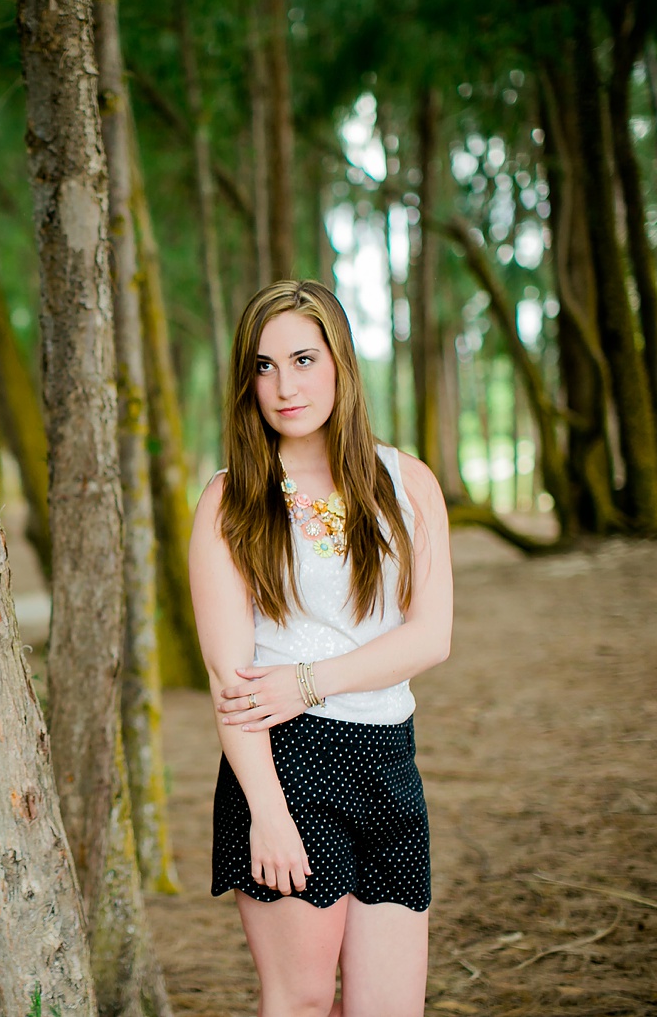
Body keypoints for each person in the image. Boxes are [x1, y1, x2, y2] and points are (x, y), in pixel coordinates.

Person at [188, 280, 453, 1017]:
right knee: (301, 1000)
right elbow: (229, 681)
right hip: (284, 766)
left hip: (390, 762)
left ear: (340, 361)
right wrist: (266, 812)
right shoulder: (231, 499)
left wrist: (307, 680)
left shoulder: (407, 483)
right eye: (264, 367)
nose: (284, 385)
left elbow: (431, 637)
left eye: (303, 359)